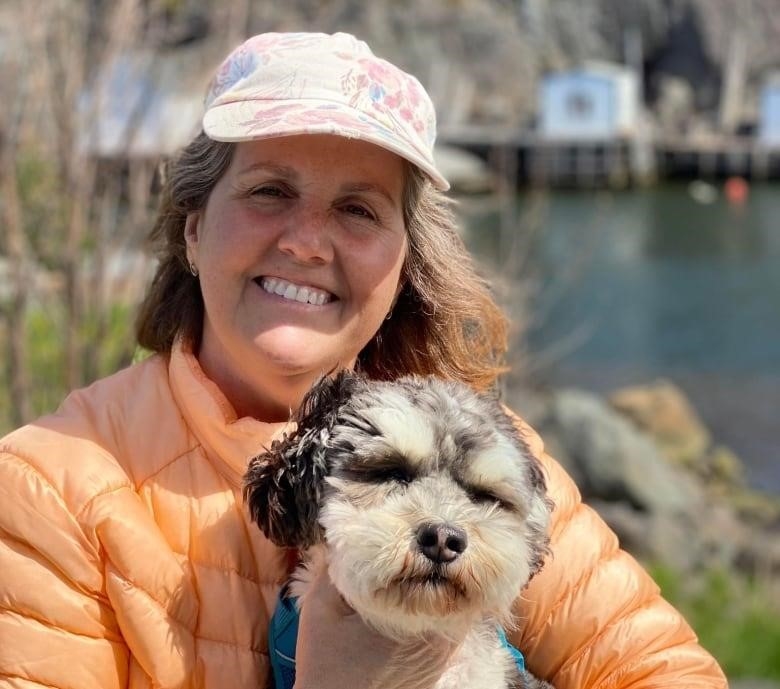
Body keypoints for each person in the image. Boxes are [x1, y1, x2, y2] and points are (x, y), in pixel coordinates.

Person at [0, 31, 726, 689]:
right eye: (269, 191)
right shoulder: (47, 489)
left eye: (359, 209)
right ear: (193, 228)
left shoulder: (489, 453)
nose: (308, 242)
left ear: (405, 260)